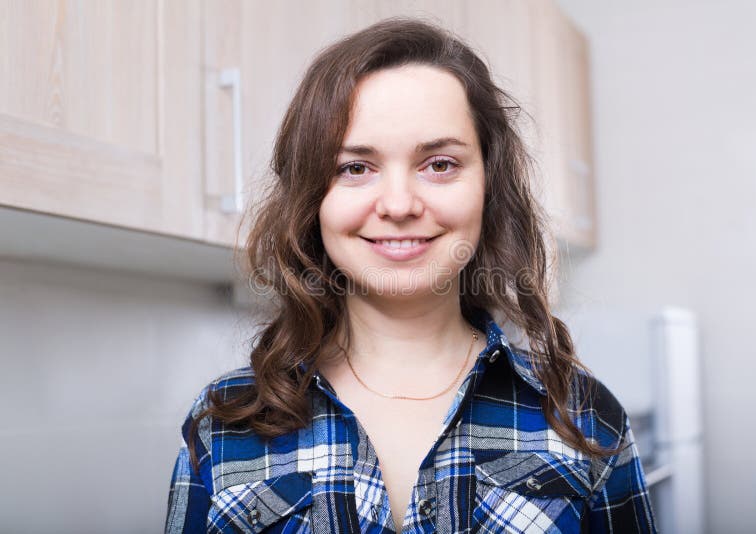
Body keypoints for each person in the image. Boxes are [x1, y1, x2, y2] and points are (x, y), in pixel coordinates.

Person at [164, 16, 658, 534]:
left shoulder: (584, 416)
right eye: (355, 168)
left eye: (439, 164)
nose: (398, 205)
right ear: (312, 198)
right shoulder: (223, 425)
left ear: (489, 186)